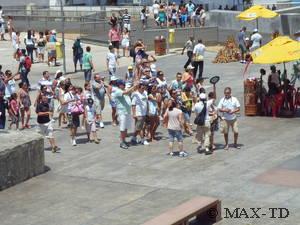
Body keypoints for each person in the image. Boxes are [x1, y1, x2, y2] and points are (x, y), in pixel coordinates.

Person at [112, 80, 137, 149]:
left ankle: (124, 140)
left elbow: (130, 91)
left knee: (126, 128)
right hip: (122, 112)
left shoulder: (123, 90)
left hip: (127, 112)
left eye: (124, 84)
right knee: (122, 128)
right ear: (119, 85)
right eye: (123, 84)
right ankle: (122, 142)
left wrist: (135, 84)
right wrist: (134, 86)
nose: (124, 85)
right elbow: (126, 92)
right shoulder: (117, 91)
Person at [131, 81, 149, 146]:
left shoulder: (145, 93)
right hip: (138, 113)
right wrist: (134, 114)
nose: (143, 89)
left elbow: (146, 102)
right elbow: (133, 105)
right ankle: (142, 140)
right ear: (138, 88)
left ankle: (133, 137)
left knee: (138, 127)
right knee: (141, 127)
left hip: (144, 113)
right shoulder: (135, 94)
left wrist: (147, 111)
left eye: (144, 88)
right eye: (142, 88)